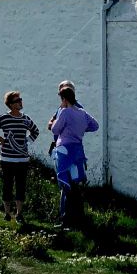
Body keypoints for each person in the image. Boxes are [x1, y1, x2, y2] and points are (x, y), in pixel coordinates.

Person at [48, 80, 99, 227]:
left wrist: (61, 124)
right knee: (75, 185)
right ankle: (77, 218)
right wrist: (81, 129)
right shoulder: (82, 112)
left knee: (66, 185)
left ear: (64, 99)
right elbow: (95, 126)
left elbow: (54, 130)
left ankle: (66, 220)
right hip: (77, 150)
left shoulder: (64, 112)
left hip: (64, 151)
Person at [0, 89, 40, 221]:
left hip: (22, 159)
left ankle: (19, 214)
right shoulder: (4, 118)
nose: (21, 102)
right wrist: (0, 139)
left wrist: (26, 142)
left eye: (20, 100)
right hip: (7, 159)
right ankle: (7, 213)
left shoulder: (26, 119)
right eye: (17, 100)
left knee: (21, 186)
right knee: (7, 185)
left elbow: (35, 131)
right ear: (11, 104)